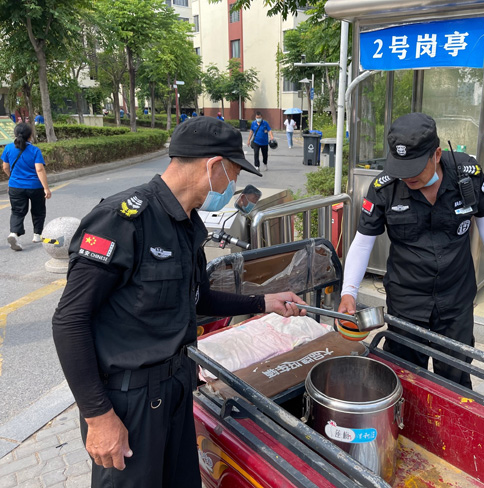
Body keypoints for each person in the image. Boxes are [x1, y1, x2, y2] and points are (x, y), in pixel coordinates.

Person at [51, 116, 307, 488]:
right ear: (214, 166)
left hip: (176, 388)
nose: (233, 185)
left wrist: (264, 301)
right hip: (128, 403)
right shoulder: (121, 221)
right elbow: (69, 321)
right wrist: (98, 416)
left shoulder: (187, 225)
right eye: (233, 174)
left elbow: (199, 297)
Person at [338, 112, 484, 389]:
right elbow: (363, 241)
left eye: (415, 168)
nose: (407, 176)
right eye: (401, 168)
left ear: (437, 155)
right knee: (405, 376)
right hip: (406, 298)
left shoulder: (467, 173)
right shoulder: (385, 187)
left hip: (456, 295)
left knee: (455, 375)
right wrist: (349, 292)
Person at [1, 122, 51, 251]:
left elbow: (5, 167)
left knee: (17, 211)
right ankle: (37, 235)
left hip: (15, 186)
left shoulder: (8, 148)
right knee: (38, 210)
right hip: (35, 186)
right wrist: (46, 188)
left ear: (15, 134)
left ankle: (14, 234)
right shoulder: (35, 150)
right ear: (30, 136)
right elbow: (39, 169)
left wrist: (12, 177)